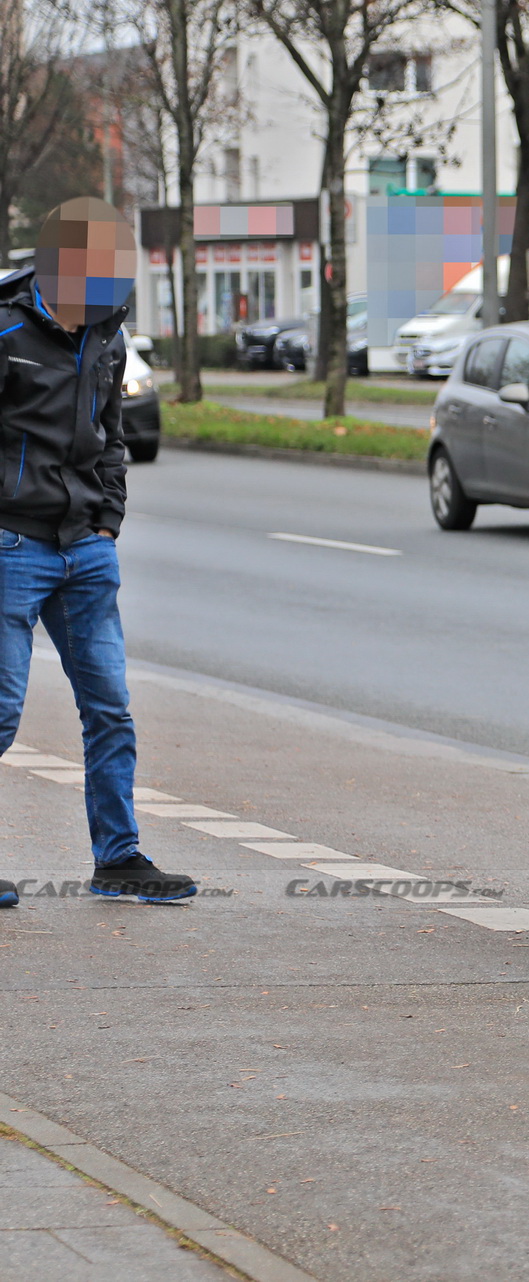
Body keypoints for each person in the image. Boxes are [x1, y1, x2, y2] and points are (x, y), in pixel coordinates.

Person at [0, 198, 197, 909]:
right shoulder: (7, 329)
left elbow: (112, 437)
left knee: (110, 711)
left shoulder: (109, 335)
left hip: (85, 549)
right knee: (1, 710)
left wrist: (108, 519)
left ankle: (118, 858)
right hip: (11, 545)